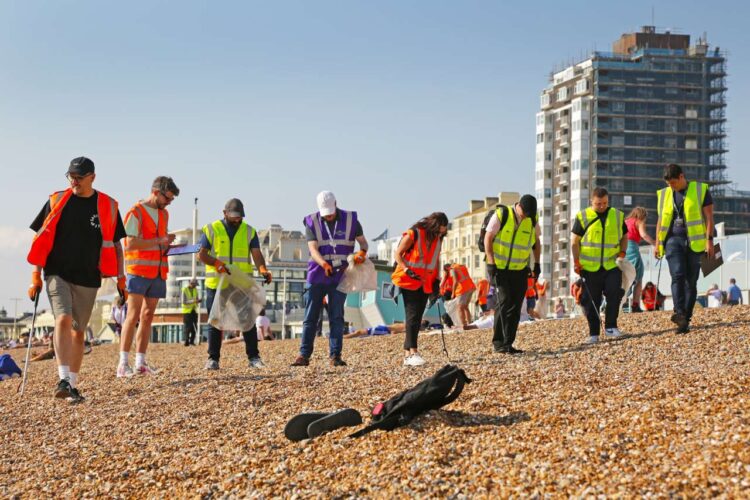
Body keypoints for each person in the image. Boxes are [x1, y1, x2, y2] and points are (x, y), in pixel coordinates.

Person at [28, 156, 126, 402]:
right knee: (63, 318)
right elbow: (40, 240)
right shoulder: (56, 200)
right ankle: (62, 378)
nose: (74, 181)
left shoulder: (108, 206)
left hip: (88, 276)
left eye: (79, 177)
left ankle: (71, 384)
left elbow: (116, 246)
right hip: (56, 271)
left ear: (92, 177)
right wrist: (35, 277)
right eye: (70, 176)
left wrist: (122, 278)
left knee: (79, 332)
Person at [291, 191, 368, 367]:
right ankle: (304, 355)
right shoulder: (312, 221)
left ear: (336, 204)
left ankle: (335, 356)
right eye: (325, 213)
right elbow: (313, 249)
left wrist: (362, 253)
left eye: (331, 212)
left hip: (341, 274)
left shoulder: (351, 221)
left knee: (337, 316)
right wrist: (324, 264)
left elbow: (363, 244)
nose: (329, 216)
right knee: (311, 317)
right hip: (318, 273)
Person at [198, 198, 272, 370]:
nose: (237, 220)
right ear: (225, 213)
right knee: (215, 321)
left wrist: (263, 269)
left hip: (240, 284)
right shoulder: (211, 229)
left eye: (240, 217)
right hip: (217, 283)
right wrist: (217, 264)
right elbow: (201, 255)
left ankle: (254, 358)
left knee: (247, 321)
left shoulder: (249, 231)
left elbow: (256, 254)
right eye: (234, 217)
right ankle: (213, 359)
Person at [117, 176, 179, 377]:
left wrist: (169, 245)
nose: (169, 202)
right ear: (155, 192)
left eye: (171, 199)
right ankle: (122, 364)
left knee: (147, 317)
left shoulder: (164, 214)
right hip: (138, 271)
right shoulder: (136, 212)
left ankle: (140, 363)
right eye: (167, 198)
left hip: (159, 270)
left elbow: (158, 242)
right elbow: (130, 243)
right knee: (132, 315)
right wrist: (160, 240)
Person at [655, 164, 715, 334]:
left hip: (695, 242)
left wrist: (709, 241)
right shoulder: (664, 194)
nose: (671, 186)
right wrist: (658, 243)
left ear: (682, 177)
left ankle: (685, 320)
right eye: (668, 184)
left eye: (673, 183)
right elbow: (661, 219)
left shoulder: (700, 190)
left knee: (691, 281)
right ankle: (679, 311)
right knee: (677, 274)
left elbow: (709, 217)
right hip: (673, 240)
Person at [484, 194, 541, 354]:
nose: (526, 217)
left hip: (520, 269)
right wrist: (490, 263)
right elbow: (488, 238)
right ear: (519, 206)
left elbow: (536, 242)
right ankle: (498, 342)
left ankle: (508, 343)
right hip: (500, 268)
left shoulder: (532, 218)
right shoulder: (502, 215)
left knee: (516, 306)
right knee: (504, 302)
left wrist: (536, 264)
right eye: (525, 213)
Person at [571, 187, 628, 344]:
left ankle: (611, 327)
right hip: (589, 268)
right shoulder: (582, 216)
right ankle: (594, 333)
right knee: (591, 301)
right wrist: (576, 262)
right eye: (598, 204)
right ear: (592, 202)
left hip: (611, 265)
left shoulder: (616, 216)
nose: (602, 206)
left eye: (604, 203)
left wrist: (623, 252)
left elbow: (624, 236)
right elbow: (574, 242)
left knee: (614, 294)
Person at [391, 212, 448, 366]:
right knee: (413, 315)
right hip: (409, 280)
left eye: (442, 233)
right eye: (438, 231)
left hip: (426, 282)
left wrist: (437, 280)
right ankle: (412, 353)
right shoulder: (414, 234)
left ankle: (408, 354)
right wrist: (406, 269)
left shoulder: (437, 239)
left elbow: (435, 260)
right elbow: (398, 254)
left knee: (416, 316)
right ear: (433, 226)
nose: (440, 235)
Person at [624, 207, 657, 312]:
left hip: (622, 249)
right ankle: (635, 305)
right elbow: (644, 235)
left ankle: (618, 302)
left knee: (624, 277)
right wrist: (655, 244)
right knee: (639, 276)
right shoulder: (639, 221)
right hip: (632, 249)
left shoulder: (625, 221)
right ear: (642, 216)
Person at [181, 279, 199, 346]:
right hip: (187, 311)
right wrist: (193, 301)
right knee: (187, 327)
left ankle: (192, 341)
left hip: (194, 310)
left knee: (194, 326)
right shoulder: (184, 290)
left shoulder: (195, 290)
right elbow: (184, 301)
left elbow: (196, 299)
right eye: (194, 284)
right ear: (191, 283)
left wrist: (197, 301)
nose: (195, 286)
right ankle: (186, 341)